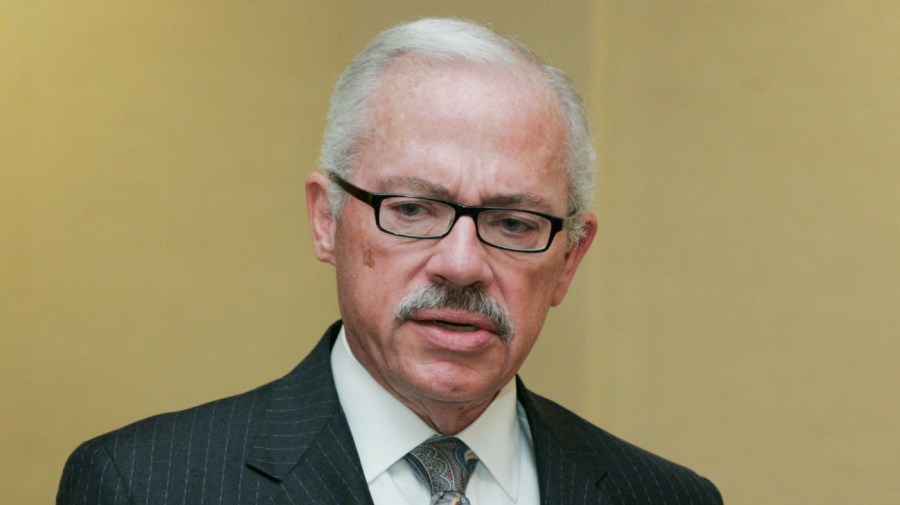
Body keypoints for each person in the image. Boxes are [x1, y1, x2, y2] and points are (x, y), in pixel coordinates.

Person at [58, 18, 722, 505]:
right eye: (412, 209)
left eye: (514, 222)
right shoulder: (145, 484)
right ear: (326, 219)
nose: (461, 264)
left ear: (569, 258)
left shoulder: (666, 496)